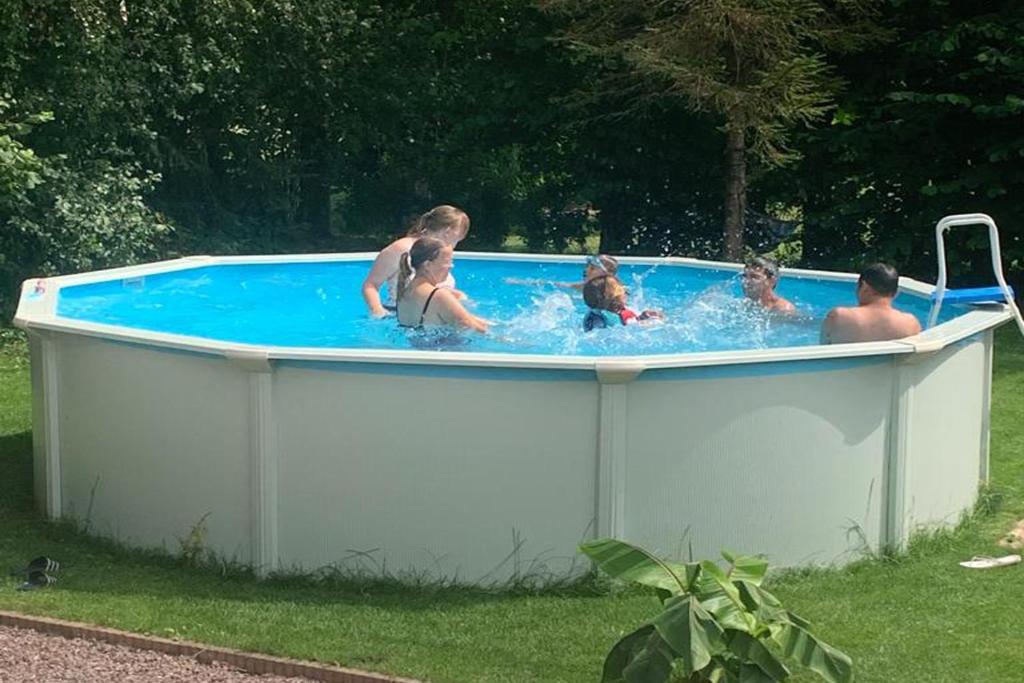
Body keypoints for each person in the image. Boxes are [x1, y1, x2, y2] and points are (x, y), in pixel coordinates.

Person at [361, 205, 469, 317]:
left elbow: (433, 291)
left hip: (435, 317)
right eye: (458, 238)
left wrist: (457, 296)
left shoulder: (441, 253)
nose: (456, 244)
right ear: (448, 231)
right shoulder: (401, 249)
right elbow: (371, 284)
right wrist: (377, 310)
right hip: (402, 317)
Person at [395, 237, 489, 333]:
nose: (451, 266)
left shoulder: (403, 293)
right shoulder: (439, 296)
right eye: (447, 261)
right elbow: (477, 330)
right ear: (427, 265)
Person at [821, 263, 922, 344]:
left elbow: (821, 354)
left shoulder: (840, 316)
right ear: (896, 293)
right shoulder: (911, 324)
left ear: (864, 287)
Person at [582, 274, 663, 331]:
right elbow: (634, 327)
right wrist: (644, 318)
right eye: (623, 291)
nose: (626, 292)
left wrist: (641, 317)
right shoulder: (614, 319)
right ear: (615, 299)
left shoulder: (595, 313)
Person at [506, 254, 619, 290]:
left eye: (592, 268)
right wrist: (523, 282)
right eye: (587, 267)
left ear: (607, 274)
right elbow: (555, 284)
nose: (586, 270)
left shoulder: (617, 291)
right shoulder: (583, 286)